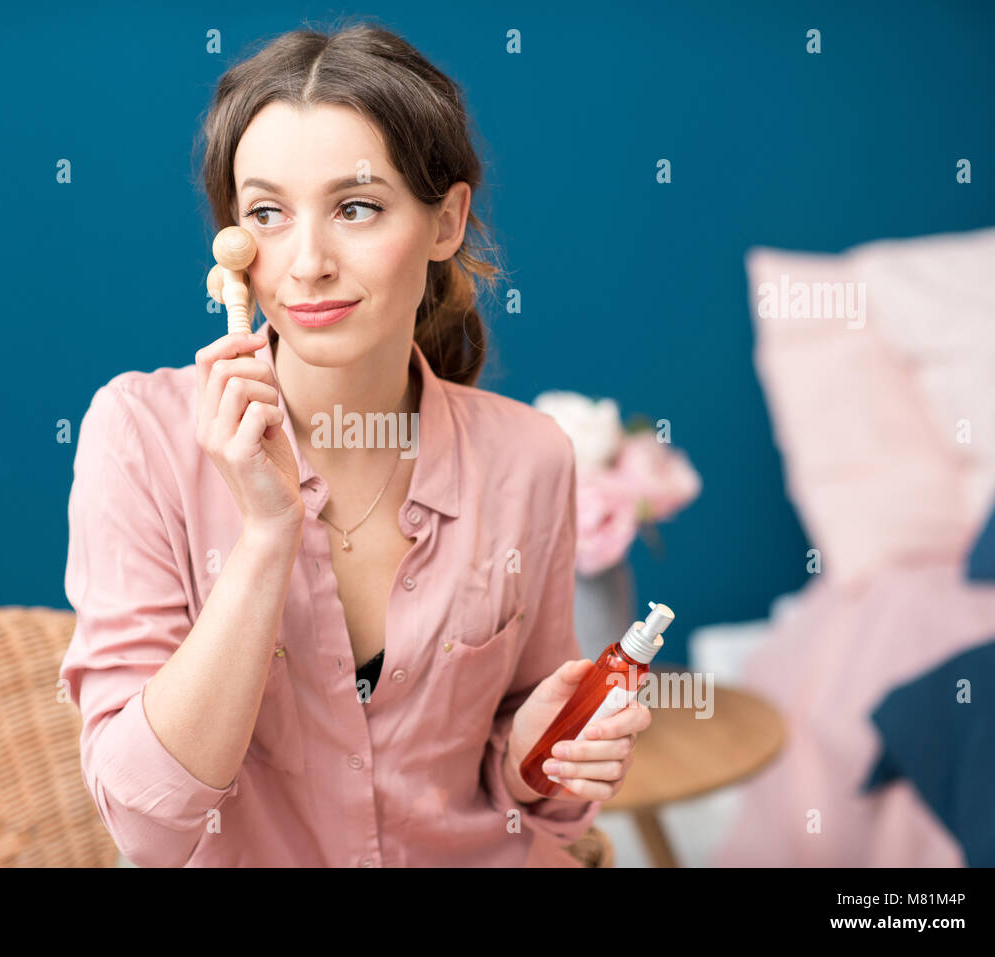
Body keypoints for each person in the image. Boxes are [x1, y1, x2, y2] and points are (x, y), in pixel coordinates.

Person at [60, 20, 651, 867]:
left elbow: (530, 801)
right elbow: (147, 824)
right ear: (234, 246)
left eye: (357, 208)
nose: (306, 264)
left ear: (446, 221)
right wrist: (266, 538)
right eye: (267, 212)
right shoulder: (139, 437)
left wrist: (540, 754)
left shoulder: (529, 458)